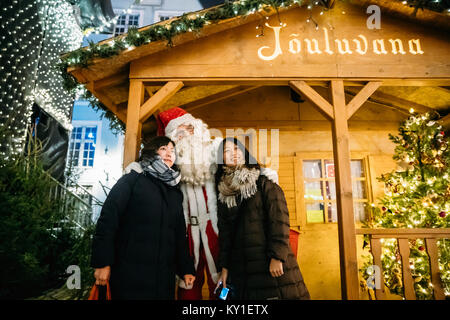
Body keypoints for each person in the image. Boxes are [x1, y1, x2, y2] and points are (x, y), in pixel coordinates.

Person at [125, 107, 278, 300]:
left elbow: (237, 161)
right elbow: (151, 163)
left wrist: (263, 173)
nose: (187, 134)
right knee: (188, 285)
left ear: (197, 128)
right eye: (180, 132)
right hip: (187, 233)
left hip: (216, 229)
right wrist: (136, 168)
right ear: (174, 138)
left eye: (190, 128)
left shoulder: (213, 149)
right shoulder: (172, 159)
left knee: (222, 284)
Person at [91, 136, 195, 300]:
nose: (169, 153)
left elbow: (179, 233)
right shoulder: (132, 179)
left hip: (163, 279)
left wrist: (186, 268)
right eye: (163, 149)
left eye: (172, 150)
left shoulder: (175, 191)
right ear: (151, 152)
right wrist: (102, 262)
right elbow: (108, 219)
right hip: (129, 274)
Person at [215, 137, 310, 300]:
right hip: (242, 268)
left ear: (245, 154)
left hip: (268, 263)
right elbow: (226, 235)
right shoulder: (224, 194)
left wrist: (277, 256)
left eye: (237, 149)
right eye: (227, 151)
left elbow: (279, 219)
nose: (233, 154)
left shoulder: (263, 182)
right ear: (221, 159)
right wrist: (225, 268)